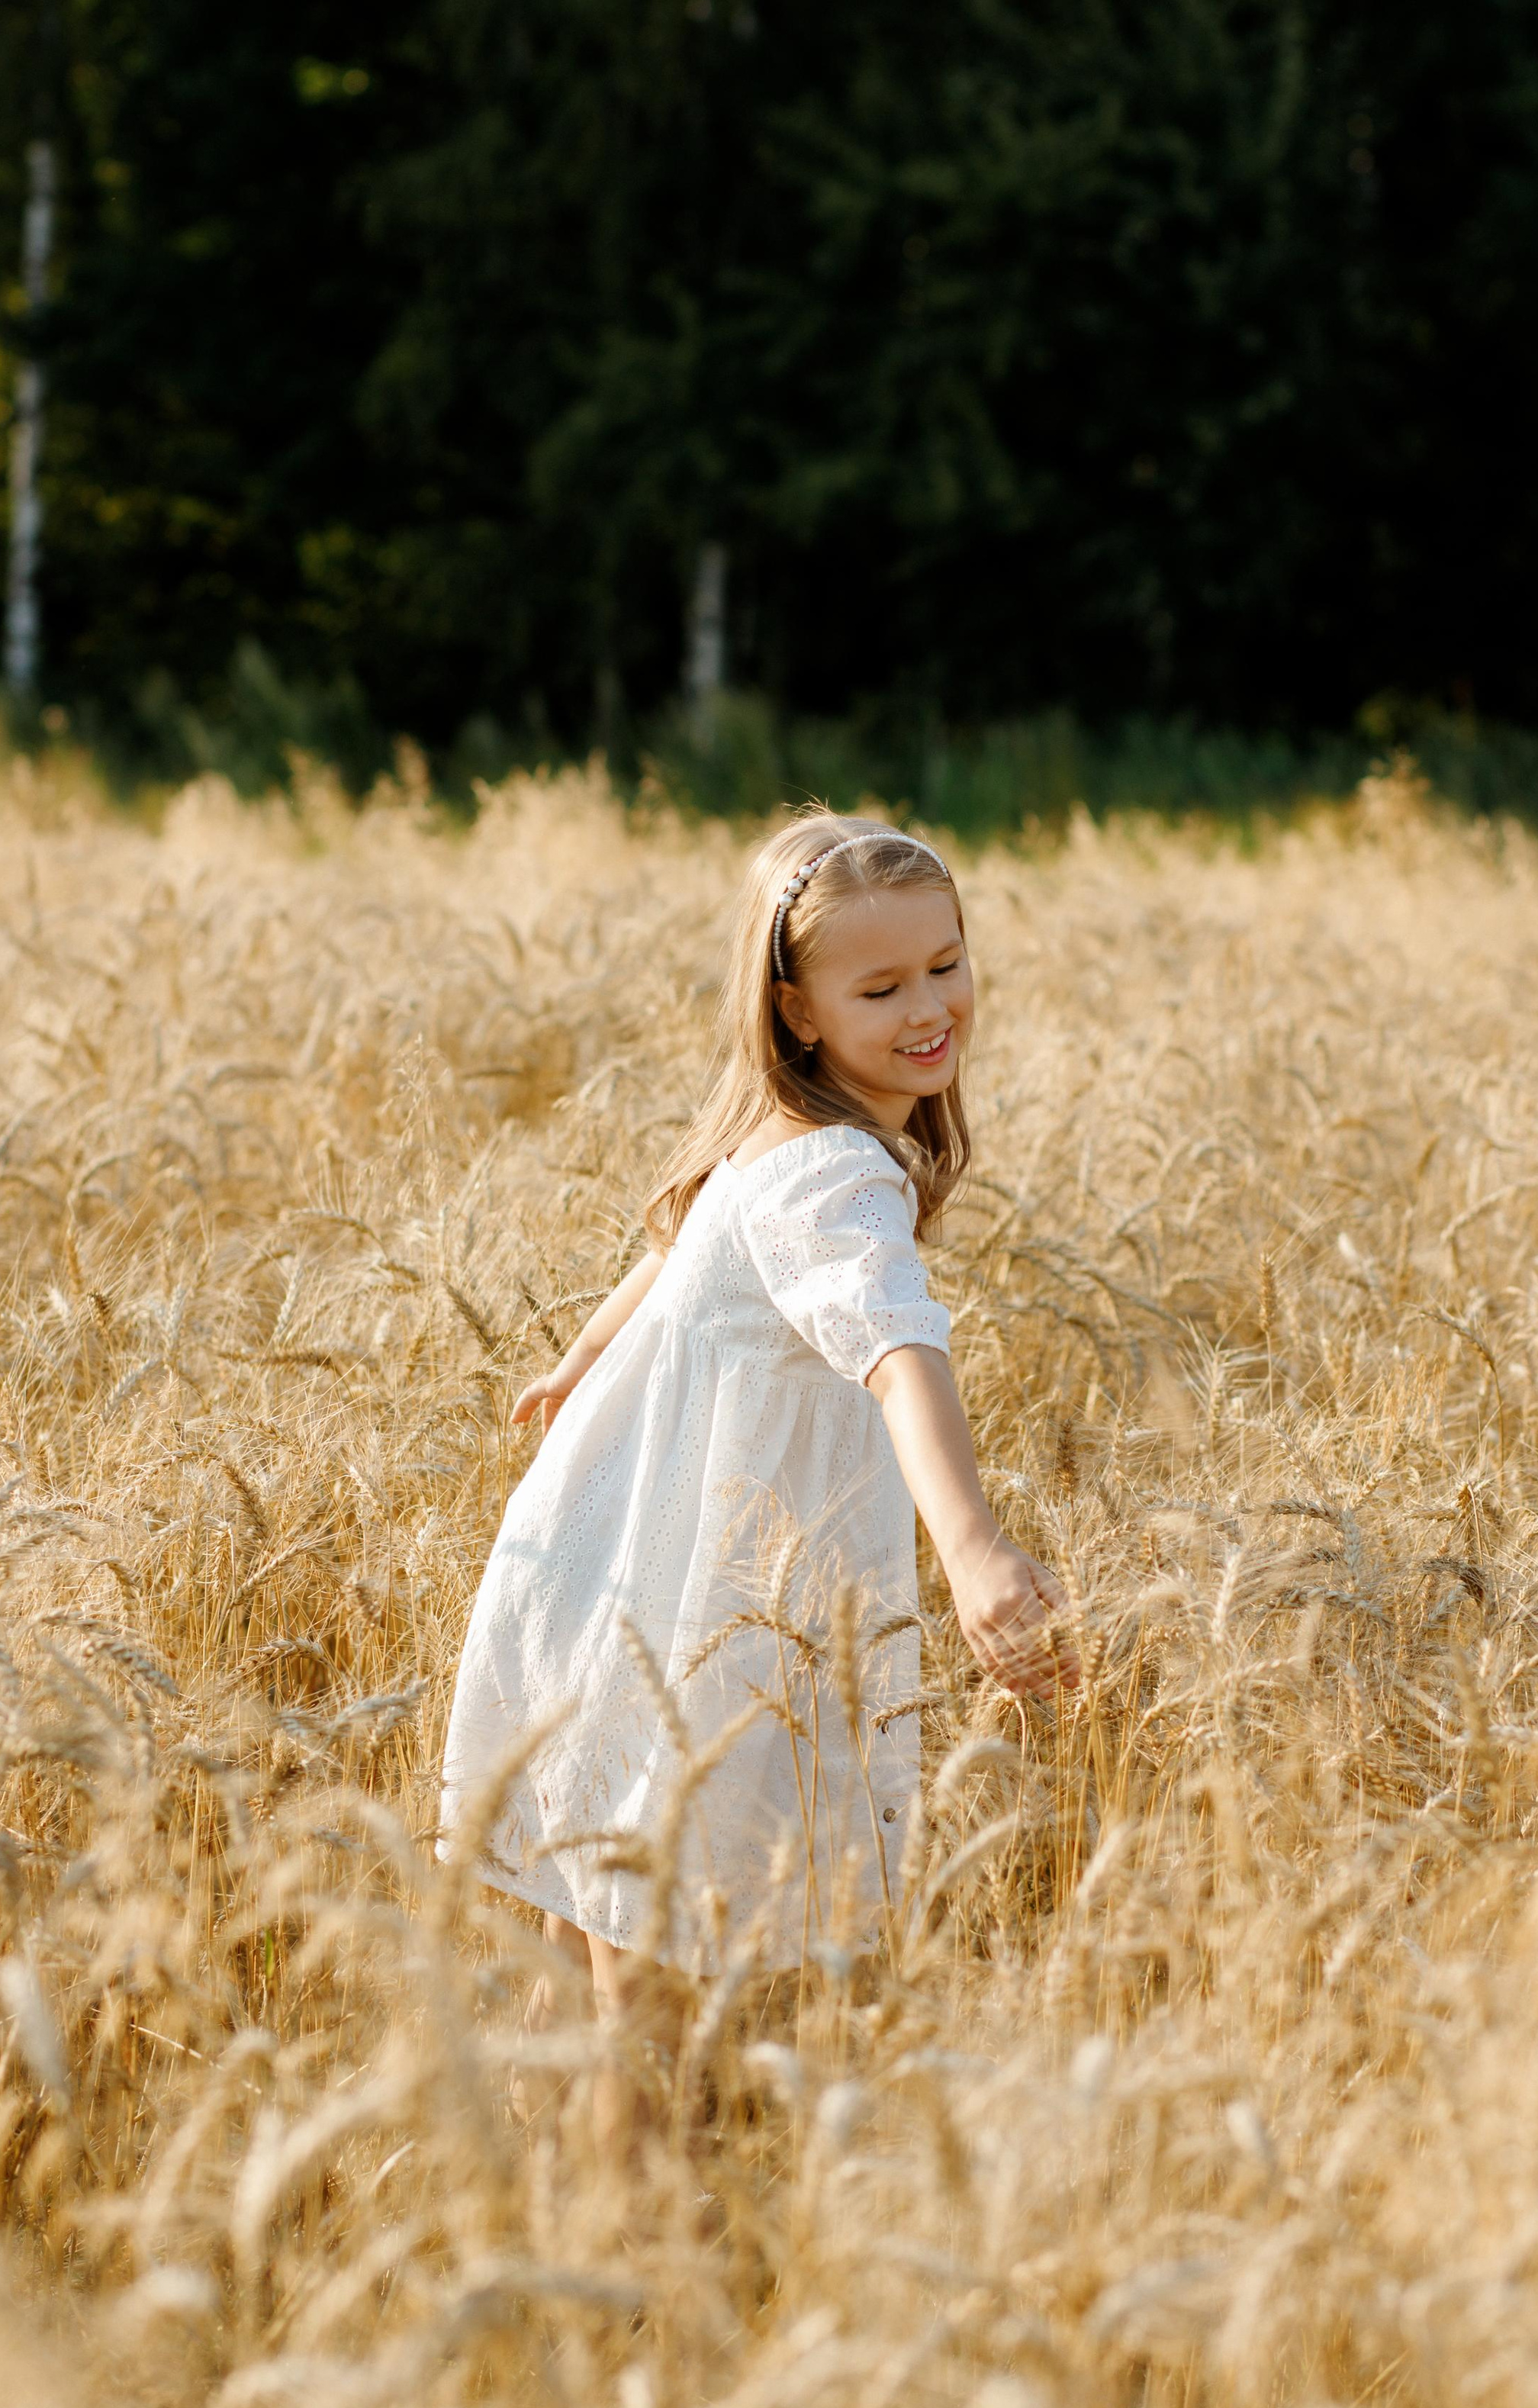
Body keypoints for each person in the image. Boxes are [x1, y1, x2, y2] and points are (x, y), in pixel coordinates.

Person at [439, 810, 1073, 2122]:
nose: (930, 1007)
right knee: (642, 2000)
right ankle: (628, 2269)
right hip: (689, 1619)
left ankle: (567, 2230)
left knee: (601, 1958)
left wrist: (581, 1356)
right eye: (881, 985)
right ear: (794, 1008)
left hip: (621, 1572)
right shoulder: (835, 1171)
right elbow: (898, 1348)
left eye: (946, 963)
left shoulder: (786, 1145)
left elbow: (683, 1246)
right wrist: (972, 1550)